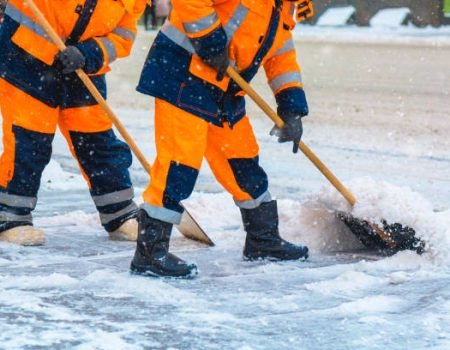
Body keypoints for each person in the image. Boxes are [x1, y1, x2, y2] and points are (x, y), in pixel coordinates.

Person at [131, 0, 314, 278]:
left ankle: (262, 240)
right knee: (180, 164)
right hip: (183, 72)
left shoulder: (288, 5)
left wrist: (292, 107)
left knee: (243, 161)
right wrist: (211, 42)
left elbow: (281, 53)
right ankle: (149, 254)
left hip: (225, 86)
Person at [0, 0, 147, 245]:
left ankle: (119, 214)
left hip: (81, 68)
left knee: (97, 140)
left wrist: (89, 53)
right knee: (29, 140)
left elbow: (122, 37)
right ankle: (11, 217)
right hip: (25, 56)